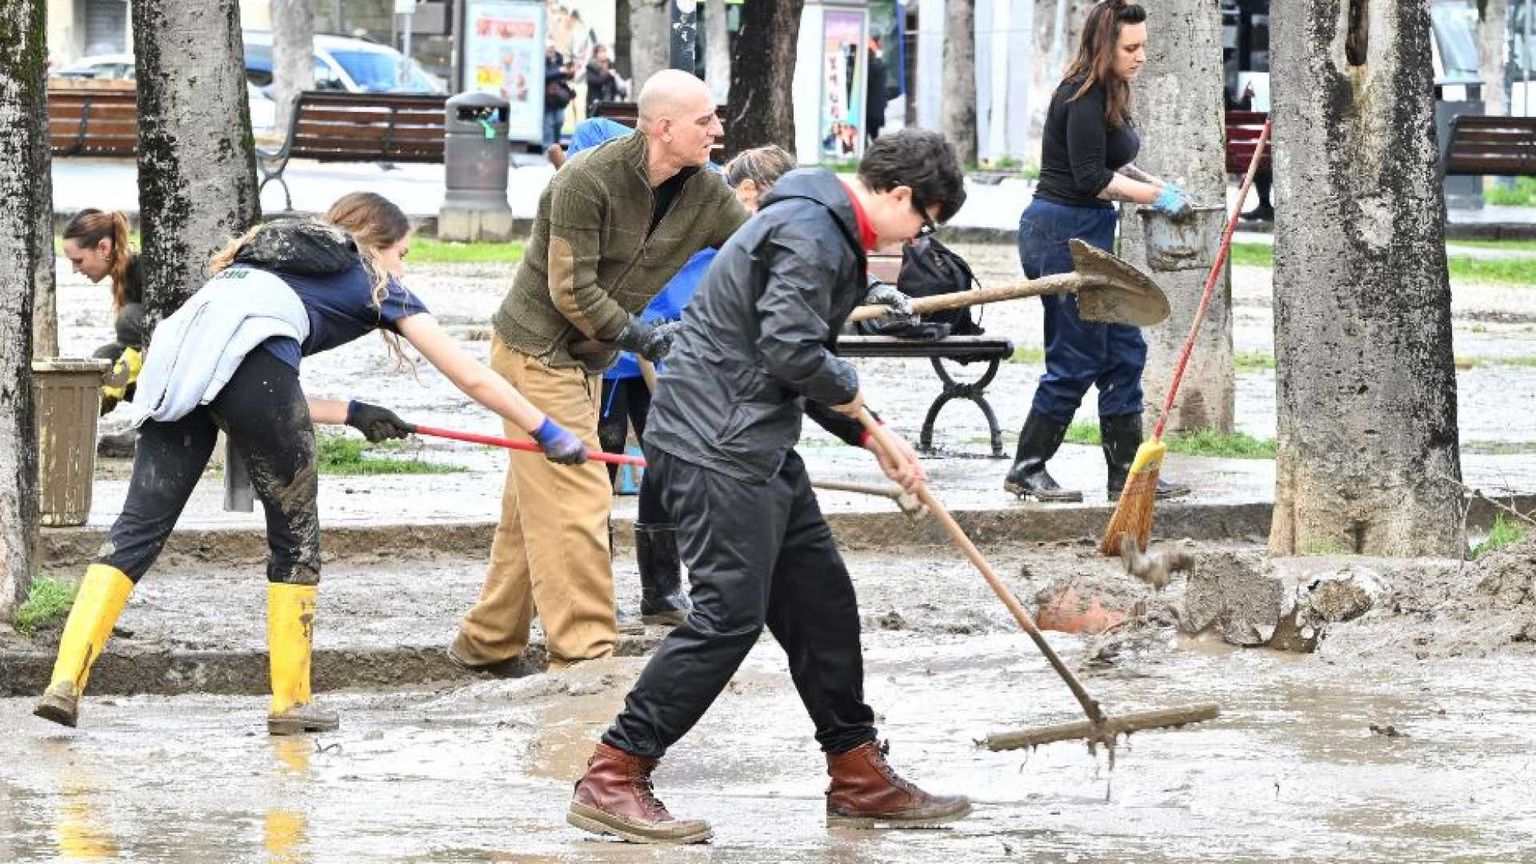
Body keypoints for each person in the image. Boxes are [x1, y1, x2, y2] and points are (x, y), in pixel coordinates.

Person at [33, 193, 587, 735]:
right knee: (294, 540)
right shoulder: (370, 279)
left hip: (171, 367)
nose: (403, 267)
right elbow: (468, 375)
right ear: (376, 243)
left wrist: (353, 412)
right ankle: (291, 702)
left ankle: (64, 683)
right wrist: (545, 428)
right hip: (242, 374)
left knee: (135, 533)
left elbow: (240, 381)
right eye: (402, 253)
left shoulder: (255, 265)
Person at [566, 129, 972, 844]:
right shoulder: (811, 231)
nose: (916, 240)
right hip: (716, 444)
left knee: (821, 605)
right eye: (924, 222)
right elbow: (793, 350)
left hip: (757, 439)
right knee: (729, 615)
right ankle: (614, 773)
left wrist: (871, 433)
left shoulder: (820, 225)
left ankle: (857, 771)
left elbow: (787, 359)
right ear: (902, 194)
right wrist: (853, 392)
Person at [450, 71, 750, 674]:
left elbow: (765, 249)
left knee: (534, 505)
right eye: (705, 120)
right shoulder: (587, 179)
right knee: (578, 500)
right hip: (536, 352)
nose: (718, 130)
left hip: (585, 361)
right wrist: (644, 336)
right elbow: (572, 291)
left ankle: (487, 643)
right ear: (663, 127)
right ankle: (585, 659)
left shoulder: (706, 191)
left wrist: (858, 284)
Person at [589, 139, 797, 626]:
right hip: (619, 349)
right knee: (596, 472)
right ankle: (590, 595)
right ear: (750, 191)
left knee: (665, 466)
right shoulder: (695, 203)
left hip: (674, 352)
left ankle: (661, 592)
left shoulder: (744, 225)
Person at [1004, 0, 1191, 504]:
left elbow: (1111, 163)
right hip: (1060, 233)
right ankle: (1026, 468)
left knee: (1124, 351)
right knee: (1076, 356)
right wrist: (1154, 198)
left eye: (1143, 46)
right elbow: (1090, 177)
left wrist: (1157, 185)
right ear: (1104, 46)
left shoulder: (1109, 92)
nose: (1141, 56)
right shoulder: (1081, 94)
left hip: (1089, 231)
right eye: (1131, 48)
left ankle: (1125, 474)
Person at [61, 209, 148, 415]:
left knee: (128, 318)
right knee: (101, 359)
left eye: (78, 261)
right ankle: (80, 420)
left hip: (179, 358)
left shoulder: (142, 269)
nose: (74, 270)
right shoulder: (123, 277)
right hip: (146, 355)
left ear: (104, 247)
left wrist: (124, 373)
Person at [543, 45, 577, 147]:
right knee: (548, 124)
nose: (551, 50)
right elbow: (544, 75)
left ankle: (556, 146)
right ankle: (548, 148)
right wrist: (559, 71)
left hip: (559, 98)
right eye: (549, 48)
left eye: (553, 48)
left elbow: (564, 77)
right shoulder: (541, 60)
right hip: (547, 98)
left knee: (559, 121)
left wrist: (569, 72)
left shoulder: (559, 59)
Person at [584, 44, 620, 118]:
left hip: (609, 98)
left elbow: (614, 84)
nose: (603, 54)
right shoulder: (591, 66)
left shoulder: (610, 64)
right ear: (596, 54)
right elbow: (594, 81)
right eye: (600, 52)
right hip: (595, 99)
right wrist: (608, 74)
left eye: (604, 51)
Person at [865, 37, 887, 146]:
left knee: (867, 139)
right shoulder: (881, 67)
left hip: (868, 112)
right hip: (877, 112)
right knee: (875, 138)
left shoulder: (868, 69)